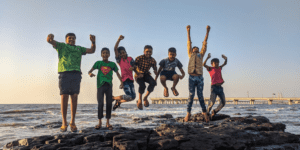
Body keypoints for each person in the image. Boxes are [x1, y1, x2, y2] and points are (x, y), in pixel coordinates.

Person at [47, 33, 96, 132]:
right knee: (64, 96)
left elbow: (92, 50)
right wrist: (50, 37)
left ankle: (72, 122)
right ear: (66, 39)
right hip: (64, 73)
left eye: (73, 38)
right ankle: (64, 122)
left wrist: (93, 42)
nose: (72, 40)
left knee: (74, 97)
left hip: (76, 74)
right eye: (70, 38)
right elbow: (50, 41)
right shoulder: (61, 46)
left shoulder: (79, 48)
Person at [88, 48, 123, 130]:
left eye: (107, 53)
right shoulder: (98, 63)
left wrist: (122, 82)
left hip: (109, 85)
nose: (105, 54)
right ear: (101, 55)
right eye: (103, 53)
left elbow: (118, 73)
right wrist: (90, 73)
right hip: (100, 85)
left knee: (109, 104)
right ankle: (99, 122)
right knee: (100, 104)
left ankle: (108, 122)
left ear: (109, 55)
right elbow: (90, 70)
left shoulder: (112, 64)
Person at [184, 25, 210, 123]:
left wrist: (207, 31)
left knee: (200, 96)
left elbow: (204, 44)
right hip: (191, 77)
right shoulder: (190, 54)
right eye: (194, 48)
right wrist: (188, 31)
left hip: (199, 78)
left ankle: (204, 113)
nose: (195, 48)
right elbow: (188, 43)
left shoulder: (201, 55)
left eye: (197, 48)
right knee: (191, 95)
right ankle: (188, 113)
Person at [112, 35, 136, 111]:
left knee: (133, 97)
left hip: (131, 80)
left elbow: (135, 65)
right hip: (125, 80)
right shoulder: (120, 60)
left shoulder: (130, 58)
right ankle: (113, 98)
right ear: (119, 55)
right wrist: (119, 39)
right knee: (129, 96)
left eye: (123, 52)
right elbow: (115, 49)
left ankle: (119, 102)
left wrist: (133, 67)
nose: (122, 54)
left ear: (125, 52)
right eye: (120, 54)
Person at [203, 53, 227, 119]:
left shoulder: (219, 68)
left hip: (220, 88)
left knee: (223, 102)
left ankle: (215, 111)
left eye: (217, 63)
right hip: (214, 88)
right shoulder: (210, 68)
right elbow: (203, 65)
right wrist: (207, 58)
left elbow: (225, 64)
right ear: (212, 64)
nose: (217, 64)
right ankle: (207, 113)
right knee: (212, 102)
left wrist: (225, 59)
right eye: (215, 63)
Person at [135, 45, 158, 110]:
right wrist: (138, 73)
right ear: (144, 52)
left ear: (152, 52)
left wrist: (155, 71)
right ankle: (139, 100)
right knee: (142, 86)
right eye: (147, 52)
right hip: (138, 74)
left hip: (146, 74)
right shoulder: (139, 58)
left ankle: (145, 98)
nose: (148, 53)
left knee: (153, 83)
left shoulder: (152, 60)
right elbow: (134, 67)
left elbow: (154, 67)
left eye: (150, 52)